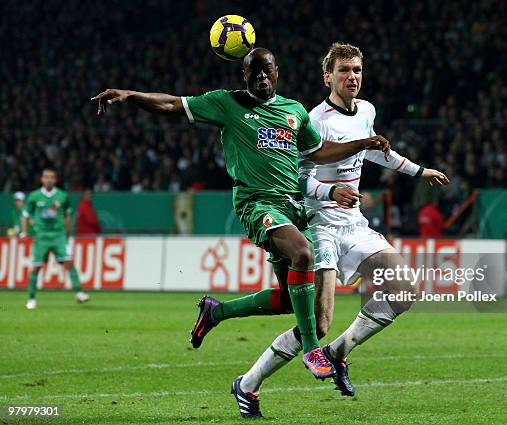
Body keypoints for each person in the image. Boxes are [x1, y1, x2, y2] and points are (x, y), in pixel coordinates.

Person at [91, 47, 390, 383]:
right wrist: (131, 95)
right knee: (303, 254)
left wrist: (361, 143)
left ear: (277, 71)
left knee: (293, 301)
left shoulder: (294, 112)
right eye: (254, 72)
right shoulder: (226, 103)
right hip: (256, 203)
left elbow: (318, 151)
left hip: (291, 206)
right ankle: (311, 350)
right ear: (244, 75)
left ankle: (217, 311)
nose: (261, 78)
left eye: (266, 71)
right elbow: (173, 104)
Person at [231, 43, 449, 418]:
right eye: (344, 71)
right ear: (327, 76)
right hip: (321, 226)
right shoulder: (314, 120)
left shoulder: (366, 110)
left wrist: (418, 170)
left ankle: (338, 351)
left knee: (405, 289)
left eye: (358, 71)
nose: (353, 77)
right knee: (318, 321)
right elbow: (298, 179)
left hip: (354, 224)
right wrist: (331, 190)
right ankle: (248, 383)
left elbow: (377, 151)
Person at [20, 168, 90, 309]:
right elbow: (25, 214)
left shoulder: (62, 196)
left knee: (69, 262)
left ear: (55, 179)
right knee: (36, 267)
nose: (49, 179)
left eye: (51, 177)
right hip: (42, 236)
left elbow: (68, 215)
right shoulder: (34, 196)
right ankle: (31, 298)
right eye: (46, 177)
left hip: (59, 235)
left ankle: (79, 292)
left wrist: (67, 233)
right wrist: (24, 231)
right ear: (42, 179)